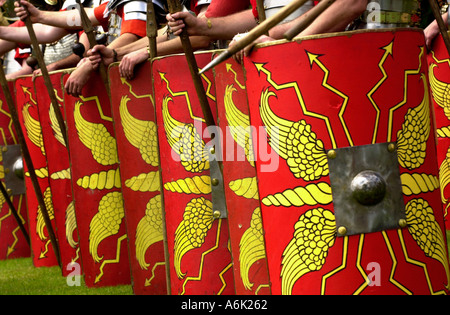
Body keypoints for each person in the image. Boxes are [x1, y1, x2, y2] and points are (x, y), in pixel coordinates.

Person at [14, 0, 156, 95]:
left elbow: (131, 36)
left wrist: (90, 63)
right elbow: (81, 18)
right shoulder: (114, 2)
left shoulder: (136, 1)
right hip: (118, 79)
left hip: (139, 81)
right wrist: (40, 16)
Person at [166, 0, 368, 63]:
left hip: (372, 58)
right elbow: (262, 18)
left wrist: (287, 45)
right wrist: (202, 27)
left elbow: (350, 3)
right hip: (314, 59)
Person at [88, 0, 212, 80]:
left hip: (214, 77)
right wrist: (115, 54)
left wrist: (147, 51)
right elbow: (167, 34)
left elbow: (202, 36)